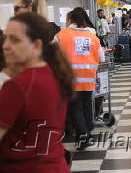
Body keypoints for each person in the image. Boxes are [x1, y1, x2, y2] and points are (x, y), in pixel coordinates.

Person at [0, 12, 74, 172]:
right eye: (6, 38)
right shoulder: (56, 73)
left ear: (36, 45)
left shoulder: (17, 86)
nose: (6, 45)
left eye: (15, 40)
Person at [56, 10, 102, 150]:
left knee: (75, 108)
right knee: (87, 106)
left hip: (70, 77)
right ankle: (87, 134)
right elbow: (101, 57)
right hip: (88, 77)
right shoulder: (92, 36)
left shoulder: (61, 35)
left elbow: (51, 53)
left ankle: (83, 137)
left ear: (70, 19)